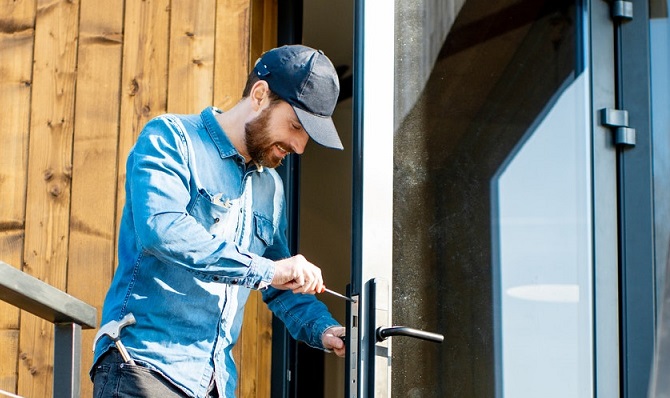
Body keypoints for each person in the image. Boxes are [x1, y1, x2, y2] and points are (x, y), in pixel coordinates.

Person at [91, 45, 346, 398]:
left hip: (214, 385)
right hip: (144, 369)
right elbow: (162, 230)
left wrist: (324, 329)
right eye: (295, 126)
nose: (299, 146)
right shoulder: (171, 139)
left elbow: (277, 280)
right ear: (260, 96)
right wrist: (269, 270)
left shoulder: (270, 188)